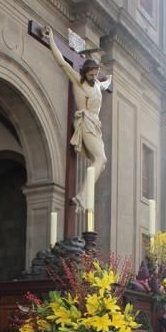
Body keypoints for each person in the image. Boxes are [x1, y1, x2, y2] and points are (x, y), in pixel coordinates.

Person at [44, 26, 111, 211]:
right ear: (84, 72)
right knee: (100, 159)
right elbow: (62, 63)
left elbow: (104, 86)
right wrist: (51, 41)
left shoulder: (96, 83)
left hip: (95, 125)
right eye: (90, 74)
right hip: (86, 122)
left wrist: (109, 80)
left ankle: (83, 196)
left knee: (101, 163)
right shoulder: (78, 80)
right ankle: (82, 196)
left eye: (95, 74)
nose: (93, 76)